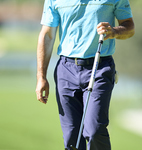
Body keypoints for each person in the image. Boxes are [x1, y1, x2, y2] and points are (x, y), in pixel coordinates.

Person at [36, 0, 135, 150]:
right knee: (71, 138)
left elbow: (129, 27)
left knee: (95, 130)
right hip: (66, 70)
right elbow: (47, 35)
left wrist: (114, 32)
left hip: (100, 67)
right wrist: (41, 76)